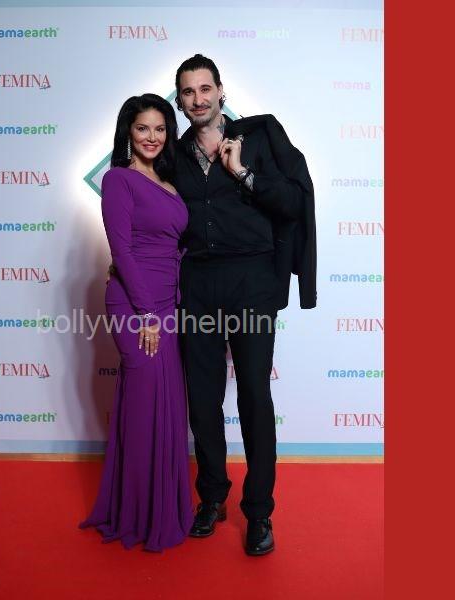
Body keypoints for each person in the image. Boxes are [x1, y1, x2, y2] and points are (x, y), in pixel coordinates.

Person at [172, 54, 317, 556]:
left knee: (254, 394)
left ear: (221, 91)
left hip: (252, 281)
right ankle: (212, 496)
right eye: (188, 92)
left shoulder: (256, 139)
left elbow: (294, 202)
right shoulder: (174, 153)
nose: (198, 99)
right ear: (179, 100)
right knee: (202, 396)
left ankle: (259, 512)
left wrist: (242, 174)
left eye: (205, 89)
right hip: (197, 284)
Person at [79, 94, 193, 551]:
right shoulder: (118, 179)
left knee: (167, 406)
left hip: (168, 305)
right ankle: (137, 514)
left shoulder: (169, 183)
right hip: (136, 307)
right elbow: (122, 250)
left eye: (160, 129)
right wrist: (146, 314)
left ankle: (160, 506)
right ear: (128, 131)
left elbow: (174, 243)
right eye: (143, 128)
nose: (152, 137)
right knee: (145, 406)